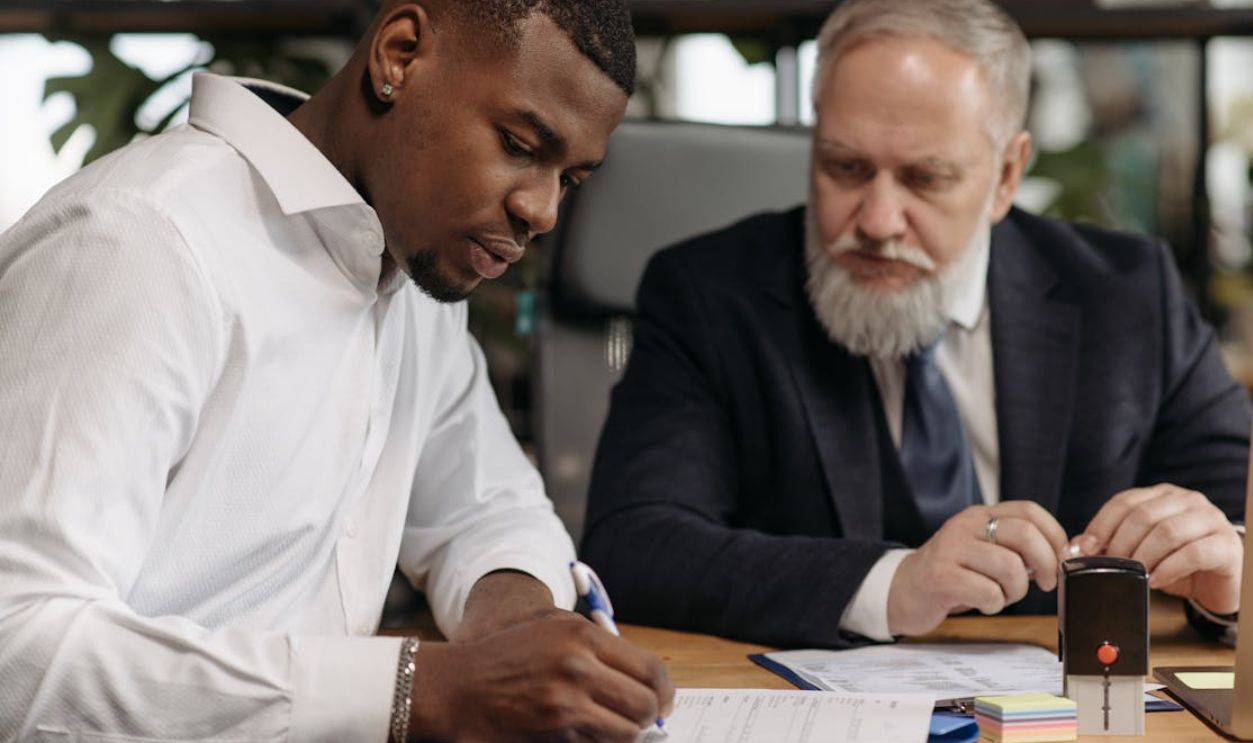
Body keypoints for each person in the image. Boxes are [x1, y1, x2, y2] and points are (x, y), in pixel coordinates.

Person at [0, 1, 673, 741]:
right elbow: (18, 643)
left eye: (569, 179)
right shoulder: (142, 242)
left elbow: (482, 510)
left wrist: (522, 628)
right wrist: (423, 689)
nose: (541, 211)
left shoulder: (414, 265)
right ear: (400, 55)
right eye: (518, 144)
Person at [582, 0, 1250, 649]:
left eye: (924, 178)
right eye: (844, 167)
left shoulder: (1127, 297)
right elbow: (634, 542)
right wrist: (890, 583)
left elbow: (1235, 515)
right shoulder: (711, 293)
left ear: (1005, 175)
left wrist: (1229, 580)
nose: (875, 220)